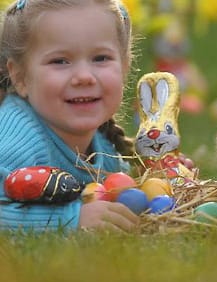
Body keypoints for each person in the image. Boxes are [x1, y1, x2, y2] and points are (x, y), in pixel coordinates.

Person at [0, 0, 140, 232]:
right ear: (21, 77)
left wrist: (165, 178)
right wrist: (69, 220)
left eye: (100, 58)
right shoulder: (18, 137)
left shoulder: (103, 144)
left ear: (124, 67)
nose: (84, 76)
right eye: (60, 61)